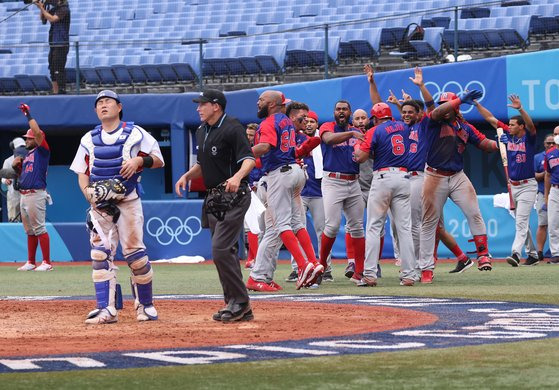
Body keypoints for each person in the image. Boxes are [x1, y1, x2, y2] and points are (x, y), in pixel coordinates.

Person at [70, 90, 164, 324]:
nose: (103, 105)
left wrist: (139, 161)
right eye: (99, 103)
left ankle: (146, 305)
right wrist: (87, 195)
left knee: (136, 256)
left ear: (119, 107)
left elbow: (159, 160)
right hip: (100, 206)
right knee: (99, 255)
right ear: (95, 110)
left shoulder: (135, 133)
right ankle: (106, 309)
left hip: (128, 201)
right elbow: (82, 172)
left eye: (108, 102)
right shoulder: (88, 139)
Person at [175, 89, 255, 322]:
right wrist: (187, 176)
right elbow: (202, 163)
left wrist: (237, 177)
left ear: (216, 106)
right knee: (225, 252)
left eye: (202, 104)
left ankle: (239, 301)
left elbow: (248, 159)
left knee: (220, 249)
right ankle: (236, 304)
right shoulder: (202, 130)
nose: (198, 108)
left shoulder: (232, 127)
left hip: (234, 195)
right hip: (213, 197)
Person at [418, 90, 498, 283]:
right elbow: (437, 112)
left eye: (449, 103)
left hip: (457, 175)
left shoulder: (465, 127)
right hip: (434, 175)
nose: (445, 107)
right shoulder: (433, 121)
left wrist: (499, 144)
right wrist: (459, 99)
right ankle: (426, 269)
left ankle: (483, 254)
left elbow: (484, 144)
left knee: (474, 212)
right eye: (443, 103)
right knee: (429, 223)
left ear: (457, 108)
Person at [251, 91, 324, 290]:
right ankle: (313, 262)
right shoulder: (287, 123)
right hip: (294, 171)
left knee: (277, 228)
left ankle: (303, 265)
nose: (258, 103)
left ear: (273, 104)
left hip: (276, 176)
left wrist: (240, 153)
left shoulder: (269, 123)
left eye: (262, 100)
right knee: (294, 224)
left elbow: (265, 147)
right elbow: (291, 151)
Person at [355, 103, 416, 286]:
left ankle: (370, 274)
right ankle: (409, 275)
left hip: (383, 178)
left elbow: (360, 157)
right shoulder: (405, 127)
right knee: (404, 229)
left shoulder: (376, 130)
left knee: (374, 226)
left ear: (375, 118)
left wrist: (359, 144)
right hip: (404, 177)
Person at [475, 95, 539, 266]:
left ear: (521, 126)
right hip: (513, 185)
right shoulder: (508, 136)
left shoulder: (529, 138)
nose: (509, 127)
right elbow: (490, 118)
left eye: (512, 125)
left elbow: (531, 126)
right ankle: (533, 255)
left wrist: (520, 109)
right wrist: (476, 104)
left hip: (528, 185)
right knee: (521, 221)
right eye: (508, 124)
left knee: (521, 222)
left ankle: (516, 254)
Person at [319, 100, 366, 284]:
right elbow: (328, 139)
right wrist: (352, 134)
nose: (341, 112)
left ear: (349, 113)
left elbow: (363, 156)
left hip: (353, 181)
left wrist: (361, 153)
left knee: (357, 227)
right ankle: (321, 268)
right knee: (331, 226)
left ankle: (359, 273)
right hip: (333, 181)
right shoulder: (328, 126)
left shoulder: (357, 131)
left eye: (344, 109)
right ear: (334, 112)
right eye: (338, 109)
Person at [13, 104, 52, 272]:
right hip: (24, 194)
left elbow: (36, 132)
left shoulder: (42, 151)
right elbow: (24, 176)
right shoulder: (27, 155)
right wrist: (17, 169)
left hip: (36, 193)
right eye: (27, 138)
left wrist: (28, 114)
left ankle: (47, 262)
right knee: (29, 230)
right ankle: (30, 261)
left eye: (29, 138)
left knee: (39, 228)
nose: (27, 140)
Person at [35, 0, 71, 94]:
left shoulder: (64, 9)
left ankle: (62, 91)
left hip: (61, 43)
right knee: (52, 68)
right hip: (53, 43)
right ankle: (55, 92)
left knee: (58, 69)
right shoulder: (54, 8)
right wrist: (42, 8)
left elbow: (52, 19)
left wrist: (42, 8)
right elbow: (43, 20)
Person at [534, 133, 556, 262]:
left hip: (556, 190)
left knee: (555, 224)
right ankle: (540, 252)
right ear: (544, 144)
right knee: (543, 223)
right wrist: (547, 172)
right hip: (543, 192)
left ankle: (555, 253)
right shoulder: (538, 157)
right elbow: (534, 176)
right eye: (549, 143)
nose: (551, 145)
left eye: (553, 142)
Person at [543, 127, 559, 264]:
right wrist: (546, 196)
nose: (556, 136)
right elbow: (548, 175)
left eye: (558, 134)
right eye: (554, 134)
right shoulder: (550, 153)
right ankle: (556, 253)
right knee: (553, 222)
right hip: (555, 189)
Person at [1, 137, 26, 222]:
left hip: (26, 195)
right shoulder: (8, 161)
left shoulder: (29, 159)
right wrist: (5, 180)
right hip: (13, 195)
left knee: (28, 219)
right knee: (13, 219)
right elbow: (3, 177)